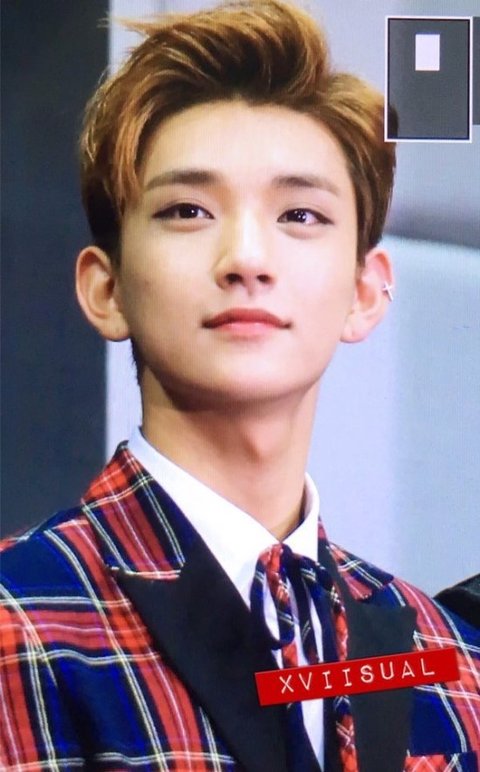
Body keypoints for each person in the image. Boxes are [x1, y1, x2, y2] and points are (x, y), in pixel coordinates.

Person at [1, 1, 479, 770]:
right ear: (106, 287)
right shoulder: (23, 618)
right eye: (188, 210)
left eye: (301, 214)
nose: (247, 258)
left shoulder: (446, 658)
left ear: (366, 291)